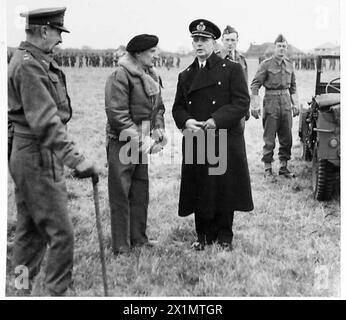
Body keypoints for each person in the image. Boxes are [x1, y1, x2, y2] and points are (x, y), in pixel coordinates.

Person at [8, 7, 98, 296]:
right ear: (44, 30)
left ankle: (19, 289)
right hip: (36, 156)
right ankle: (55, 292)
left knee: (30, 234)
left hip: (31, 154)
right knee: (61, 234)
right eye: (58, 32)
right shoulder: (29, 66)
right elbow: (46, 121)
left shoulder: (33, 61)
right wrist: (77, 160)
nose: (60, 39)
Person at [172, 19, 253, 251]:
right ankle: (203, 235)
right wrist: (186, 120)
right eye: (195, 40)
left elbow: (241, 102)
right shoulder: (185, 75)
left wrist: (216, 120)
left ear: (213, 42)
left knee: (223, 186)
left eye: (204, 40)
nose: (199, 44)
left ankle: (225, 236)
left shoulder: (232, 69)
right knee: (200, 187)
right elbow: (177, 107)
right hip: (198, 138)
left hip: (223, 137)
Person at [105, 34, 167, 255]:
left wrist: (158, 128)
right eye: (152, 52)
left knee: (140, 191)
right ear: (139, 53)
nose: (156, 55)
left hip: (141, 143)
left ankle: (139, 239)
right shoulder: (120, 76)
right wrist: (144, 141)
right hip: (122, 143)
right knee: (121, 193)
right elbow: (118, 116)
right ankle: (121, 245)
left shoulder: (150, 74)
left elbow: (158, 107)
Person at [250, 34, 299, 179]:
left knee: (287, 137)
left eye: (284, 46)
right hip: (271, 101)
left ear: (286, 47)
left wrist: (295, 103)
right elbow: (255, 85)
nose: (282, 49)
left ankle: (284, 167)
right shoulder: (266, 64)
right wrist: (255, 105)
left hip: (285, 102)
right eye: (279, 46)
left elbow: (294, 87)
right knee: (269, 137)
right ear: (274, 47)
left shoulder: (290, 64)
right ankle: (268, 169)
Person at [219, 25, 250, 128]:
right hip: (220, 107)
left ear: (237, 41)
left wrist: (246, 107)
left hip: (239, 107)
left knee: (238, 139)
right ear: (222, 40)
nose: (230, 43)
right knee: (221, 140)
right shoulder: (215, 58)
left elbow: (245, 84)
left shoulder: (241, 59)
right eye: (227, 40)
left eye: (233, 40)